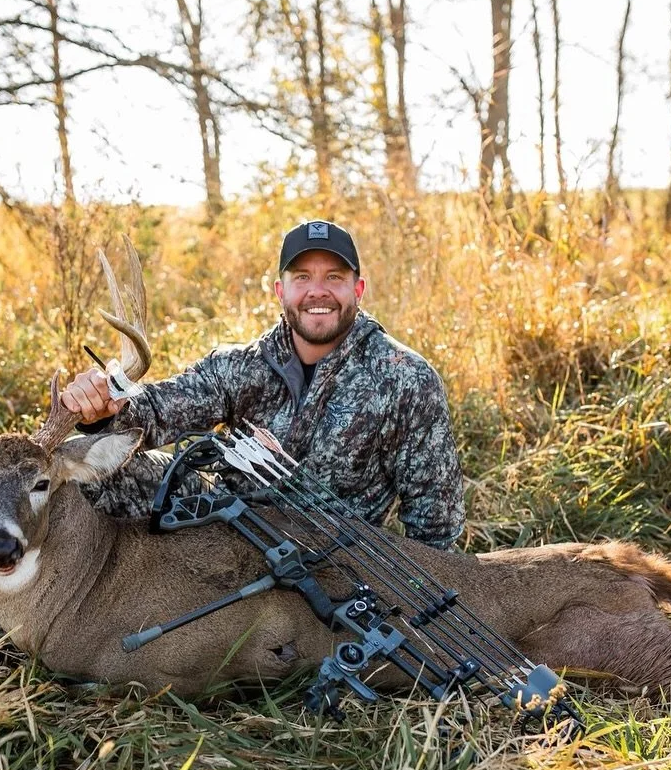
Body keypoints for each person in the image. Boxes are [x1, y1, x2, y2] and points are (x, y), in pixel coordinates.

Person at [61, 219, 465, 549]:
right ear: (280, 291)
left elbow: (436, 522)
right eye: (302, 277)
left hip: (330, 562)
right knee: (93, 468)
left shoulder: (406, 378)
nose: (317, 291)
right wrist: (103, 407)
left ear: (357, 290)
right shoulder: (241, 366)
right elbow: (152, 414)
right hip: (227, 532)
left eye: (334, 277)